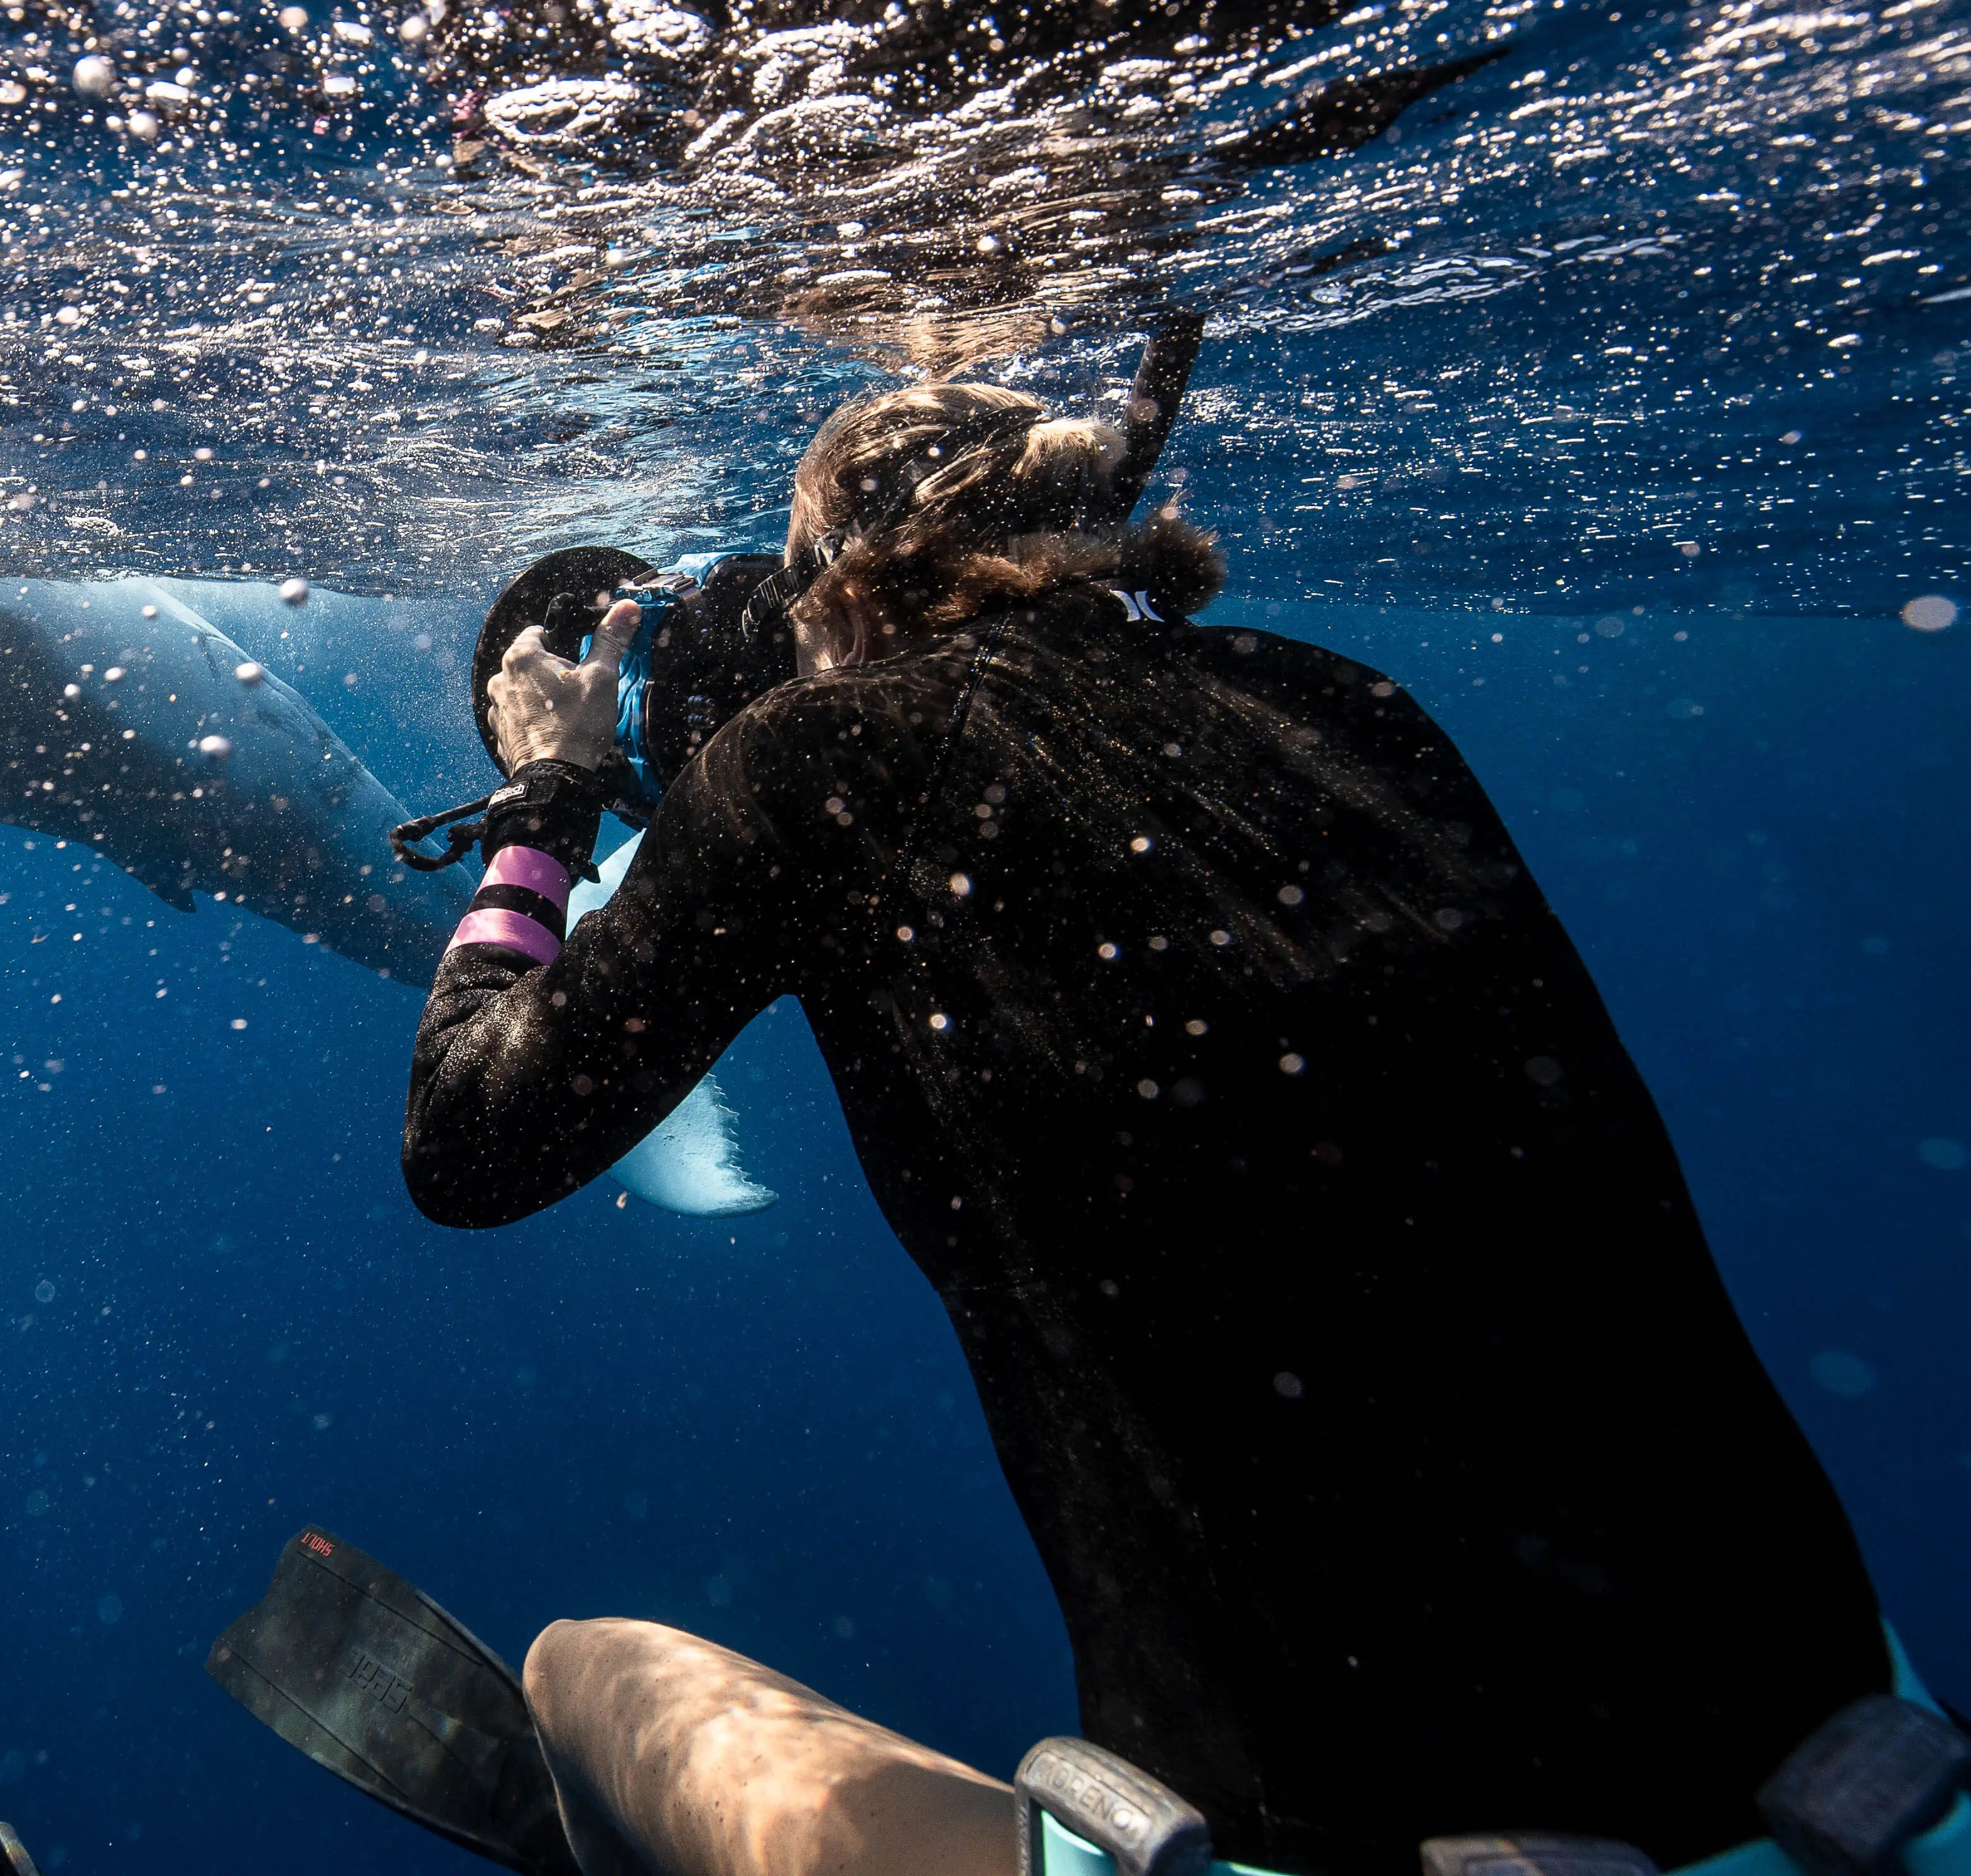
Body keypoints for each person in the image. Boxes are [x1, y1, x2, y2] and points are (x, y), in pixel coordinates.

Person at [401, 380, 1919, 1876]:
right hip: (1866, 1778)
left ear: (834, 587)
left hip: (1320, 1850)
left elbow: (466, 1141)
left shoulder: (811, 772)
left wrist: (551, 791)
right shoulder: (1340, 698)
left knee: (587, 1670)